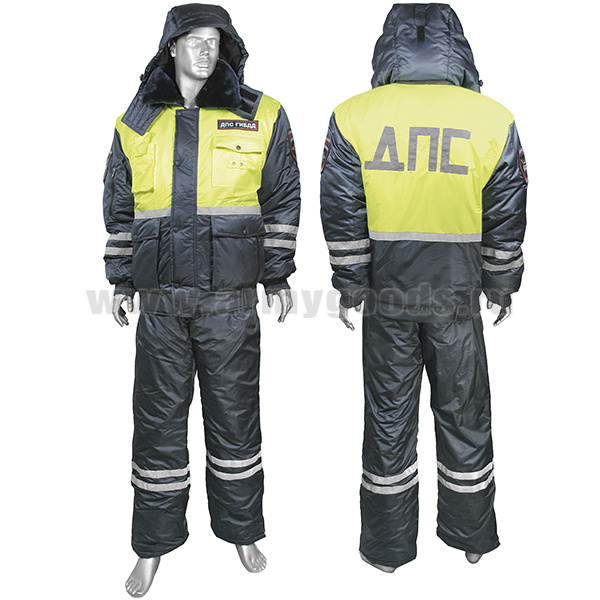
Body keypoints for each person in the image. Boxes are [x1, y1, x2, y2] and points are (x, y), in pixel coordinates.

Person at [102, 3, 300, 595]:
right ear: (171, 47)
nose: (205, 50)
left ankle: (243, 532)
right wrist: (120, 279)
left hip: (229, 303)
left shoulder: (261, 113)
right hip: (160, 305)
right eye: (192, 40)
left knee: (236, 420)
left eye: (215, 40)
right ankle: (151, 547)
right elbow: (119, 206)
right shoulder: (135, 122)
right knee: (157, 425)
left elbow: (282, 198)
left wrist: (277, 275)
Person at [320, 3, 527, 572]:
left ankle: (387, 551)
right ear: (456, 44)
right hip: (457, 299)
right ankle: (471, 537)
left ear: (388, 45)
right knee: (464, 414)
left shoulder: (353, 116)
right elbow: (506, 209)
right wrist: (502, 281)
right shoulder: (493, 119)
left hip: (386, 299)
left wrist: (350, 282)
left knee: (388, 419)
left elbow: (341, 208)